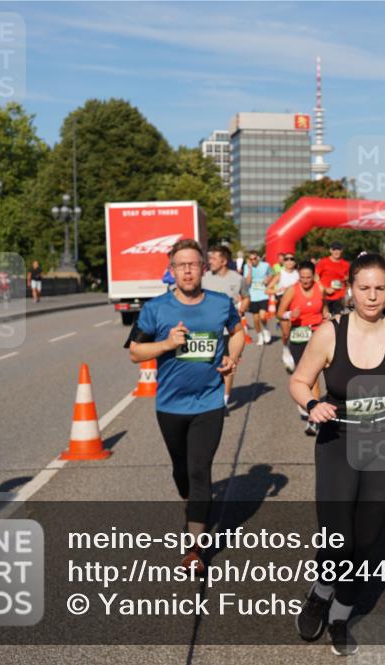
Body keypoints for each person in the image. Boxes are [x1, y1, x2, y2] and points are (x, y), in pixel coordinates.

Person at [290, 253, 385, 655]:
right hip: (338, 442)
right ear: (350, 290)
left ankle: (341, 614)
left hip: (384, 445)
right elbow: (300, 381)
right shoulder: (329, 333)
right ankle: (320, 592)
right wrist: (312, 405)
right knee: (337, 536)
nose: (372, 296)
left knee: (367, 540)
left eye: (379, 288)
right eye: (364, 288)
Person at [126, 239, 244, 571]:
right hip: (170, 406)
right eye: (181, 265)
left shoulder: (221, 304)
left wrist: (231, 358)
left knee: (199, 470)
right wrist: (166, 343)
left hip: (208, 402)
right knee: (182, 472)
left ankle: (194, 549)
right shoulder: (156, 308)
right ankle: (191, 503)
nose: (188, 270)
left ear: (204, 268)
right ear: (172, 270)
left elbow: (237, 332)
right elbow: (136, 351)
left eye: (194, 264)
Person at [277, 261, 328, 435]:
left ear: (313, 276)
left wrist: (326, 316)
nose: (305, 281)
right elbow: (279, 312)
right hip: (298, 336)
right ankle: (307, 403)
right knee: (304, 376)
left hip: (316, 335)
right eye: (302, 278)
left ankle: (313, 417)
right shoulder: (292, 290)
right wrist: (291, 314)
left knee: (314, 376)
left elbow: (324, 308)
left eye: (308, 278)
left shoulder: (319, 289)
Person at [202, 245, 249, 410]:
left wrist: (243, 308)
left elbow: (246, 296)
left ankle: (224, 401)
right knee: (207, 366)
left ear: (224, 260)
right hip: (206, 331)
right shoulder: (204, 278)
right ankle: (209, 394)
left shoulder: (237, 279)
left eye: (213, 258)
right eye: (209, 258)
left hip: (229, 331)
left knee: (227, 365)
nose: (210, 261)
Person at [267, 254, 301, 372]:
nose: (289, 261)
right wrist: (278, 290)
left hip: (297, 305)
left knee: (296, 331)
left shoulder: (299, 274)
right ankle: (286, 348)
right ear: (283, 262)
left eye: (292, 259)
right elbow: (268, 289)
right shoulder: (280, 274)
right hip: (283, 305)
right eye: (287, 259)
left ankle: (296, 354)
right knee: (286, 334)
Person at [242, 250, 273, 346]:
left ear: (258, 258)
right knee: (255, 320)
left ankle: (266, 329)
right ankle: (260, 336)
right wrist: (250, 270)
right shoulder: (246, 267)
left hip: (263, 295)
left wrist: (268, 279)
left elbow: (271, 274)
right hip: (252, 296)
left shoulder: (266, 265)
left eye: (254, 259)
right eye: (251, 259)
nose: (253, 261)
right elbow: (247, 282)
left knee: (262, 316)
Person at [315, 241, 350, 316]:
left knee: (339, 321)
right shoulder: (323, 262)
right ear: (330, 250)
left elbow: (348, 280)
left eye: (338, 249)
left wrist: (346, 292)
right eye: (334, 249)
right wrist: (325, 289)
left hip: (339, 298)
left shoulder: (346, 264)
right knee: (326, 321)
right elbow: (315, 277)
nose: (336, 252)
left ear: (341, 250)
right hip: (325, 297)